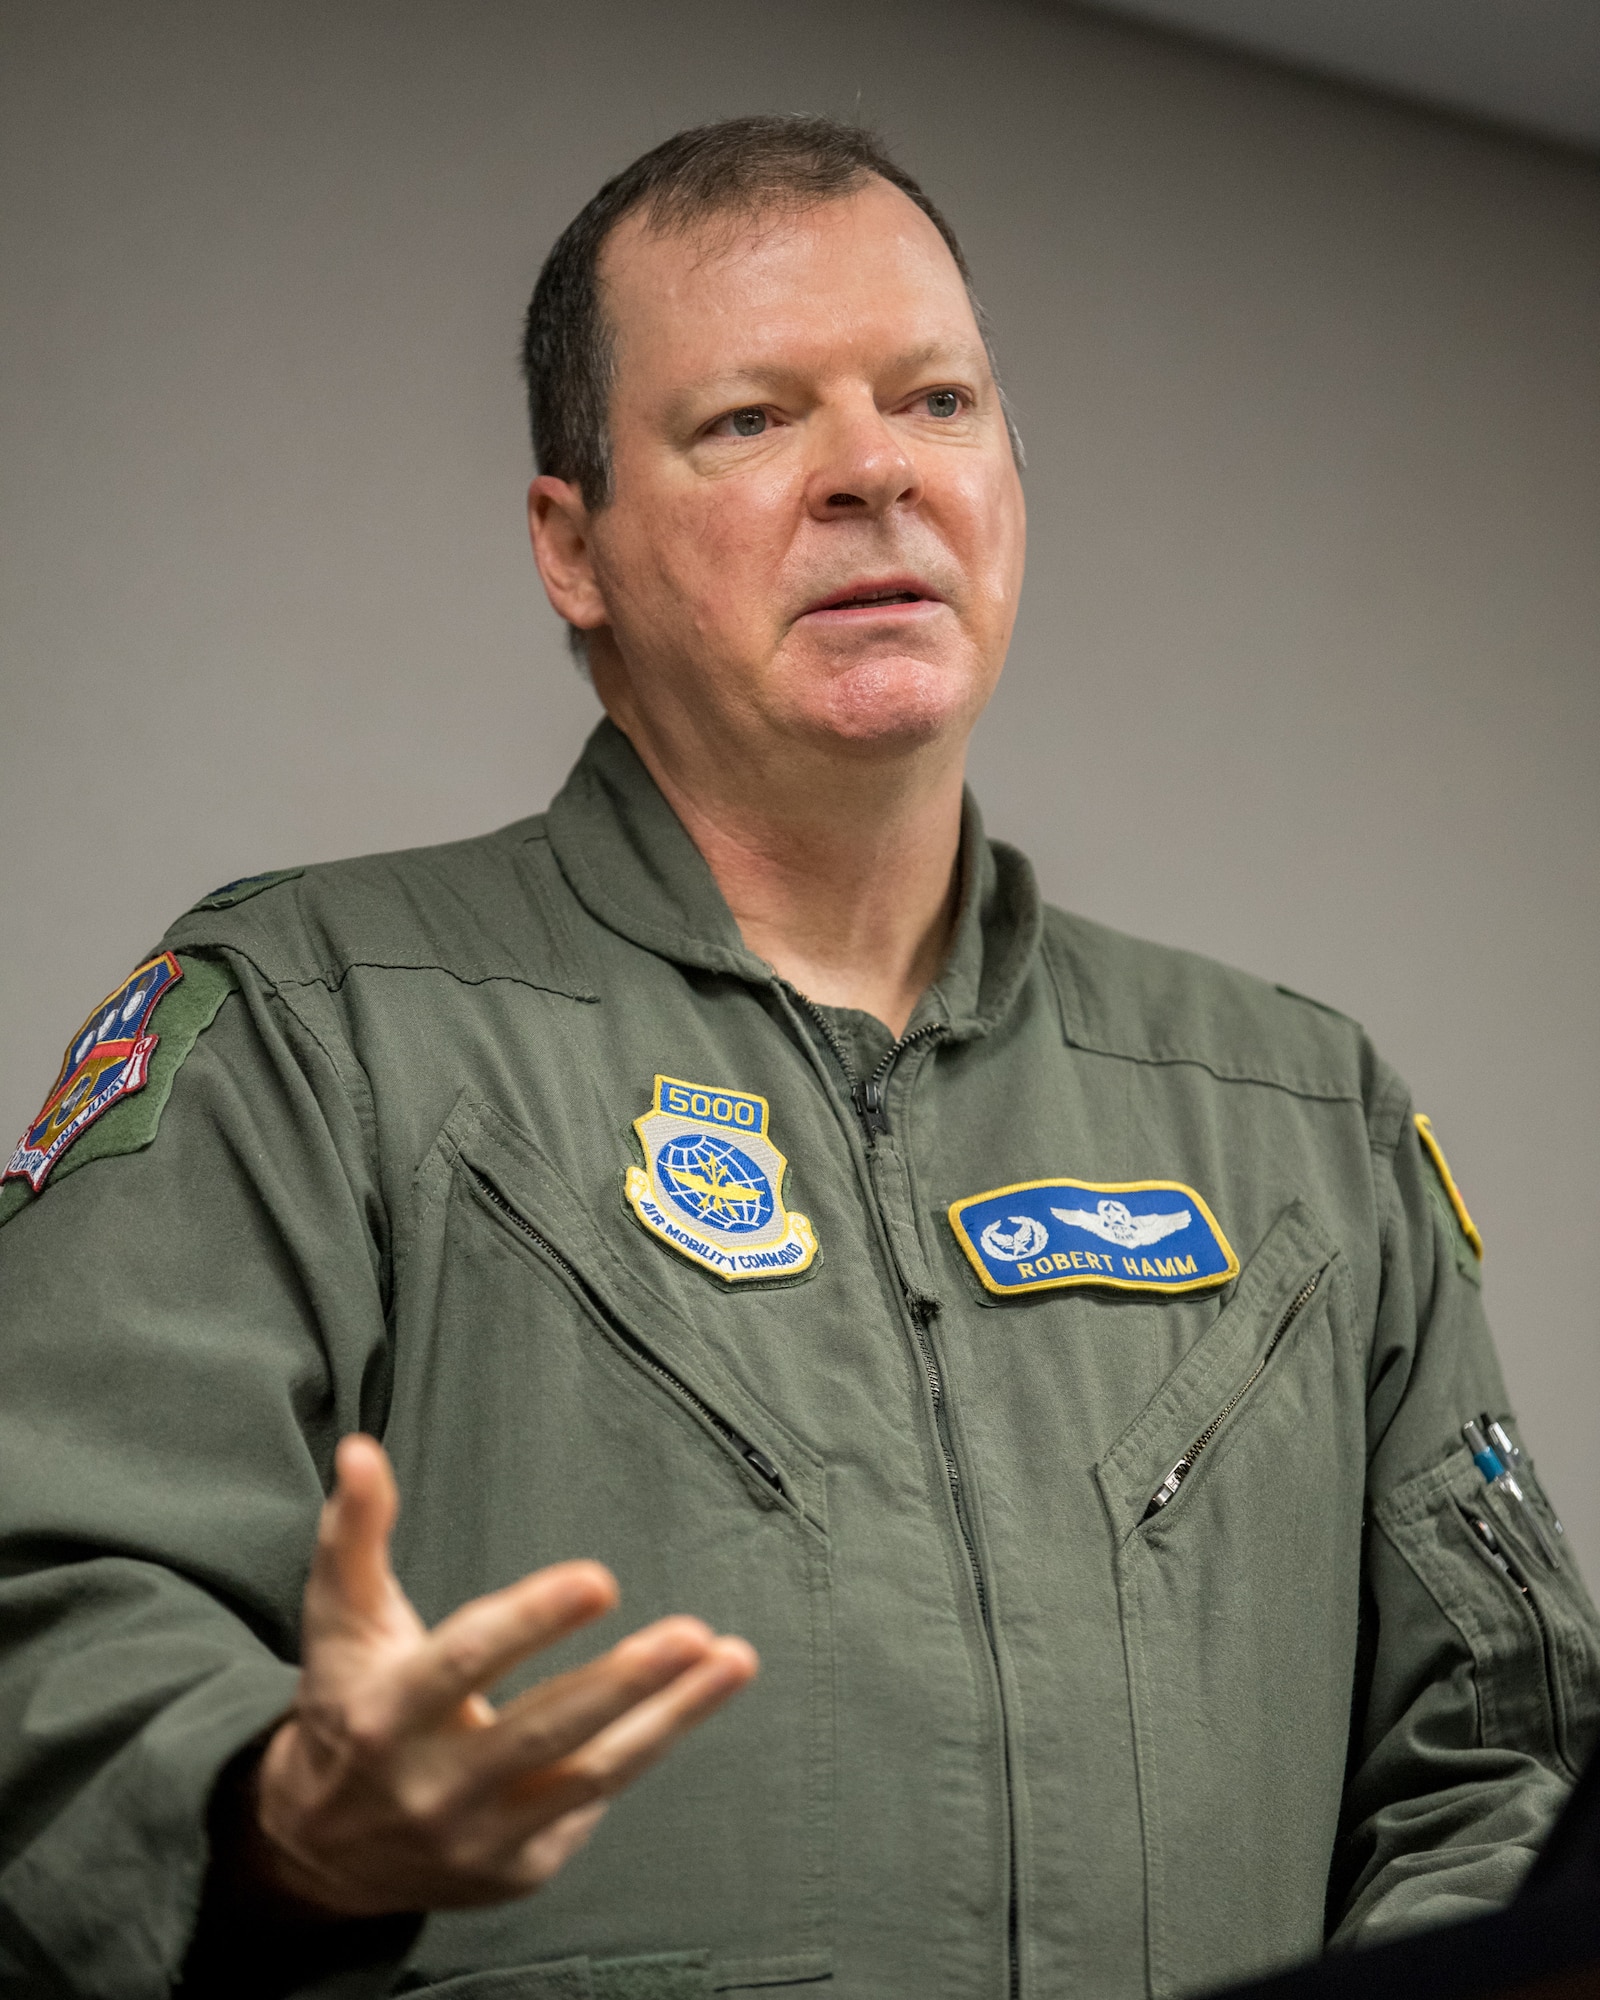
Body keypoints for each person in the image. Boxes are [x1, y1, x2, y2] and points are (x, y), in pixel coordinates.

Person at [0, 115, 1595, 2000]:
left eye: (935, 400)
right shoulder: (311, 1023)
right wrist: (285, 1820)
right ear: (569, 544)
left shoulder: (1299, 1115)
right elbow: (53, 1620)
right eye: (751, 421)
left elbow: (1496, 1760)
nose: (873, 477)